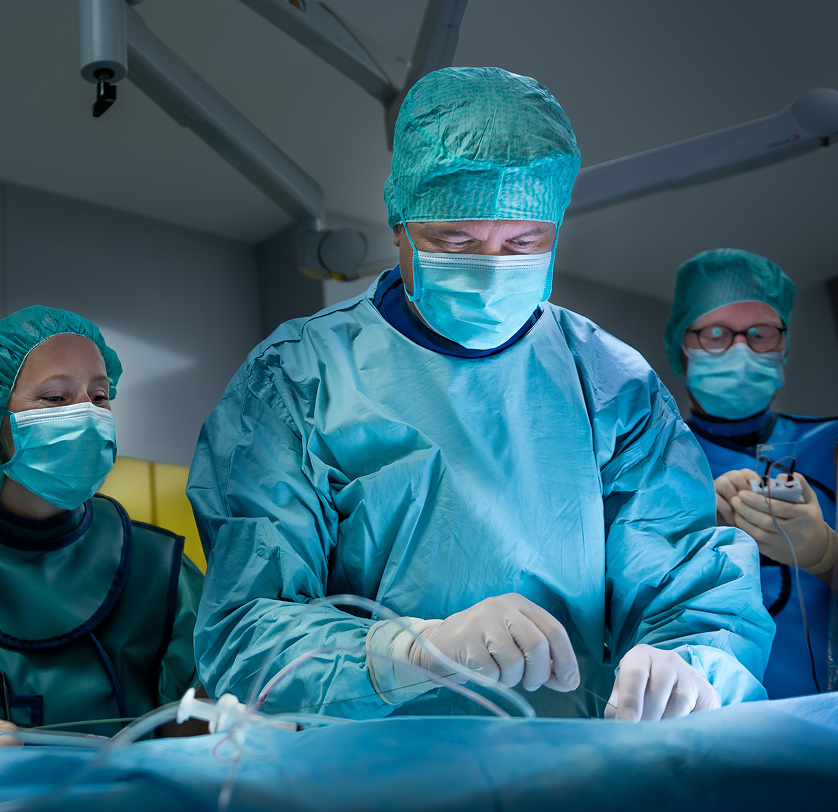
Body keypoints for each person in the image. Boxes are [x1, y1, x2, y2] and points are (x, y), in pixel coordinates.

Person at [189, 67, 774, 723]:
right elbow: (246, 632)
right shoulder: (297, 379)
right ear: (398, 227)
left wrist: (688, 662)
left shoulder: (612, 385)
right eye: (455, 242)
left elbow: (692, 583)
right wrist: (410, 653)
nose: (493, 269)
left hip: (573, 779)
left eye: (523, 243)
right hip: (361, 790)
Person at [0, 306, 204, 737]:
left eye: (99, 397)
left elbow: (200, 717)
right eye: (55, 398)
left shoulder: (158, 569)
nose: (87, 416)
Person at [665, 249, 837, 698]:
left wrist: (825, 553)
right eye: (717, 333)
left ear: (782, 346)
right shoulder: (651, 463)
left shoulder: (832, 445)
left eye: (761, 333)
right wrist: (699, 542)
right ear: (681, 347)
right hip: (707, 725)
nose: (741, 348)